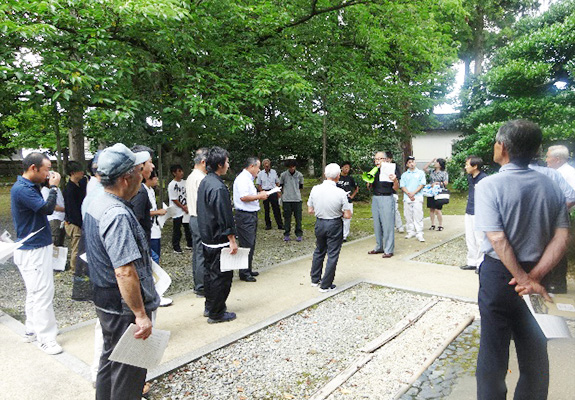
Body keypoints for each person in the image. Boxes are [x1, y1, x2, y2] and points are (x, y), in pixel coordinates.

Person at [474, 120, 569, 400]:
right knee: (535, 350)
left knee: (493, 349)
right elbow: (562, 236)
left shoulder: (489, 185)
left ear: (502, 147)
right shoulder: (551, 183)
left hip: (500, 276)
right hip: (540, 276)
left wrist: (524, 279)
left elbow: (498, 239)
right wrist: (534, 278)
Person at [83, 143, 159, 400]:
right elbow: (125, 271)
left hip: (105, 301)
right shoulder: (117, 215)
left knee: (110, 361)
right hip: (123, 305)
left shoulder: (95, 200)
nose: (143, 174)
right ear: (127, 178)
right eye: (139, 170)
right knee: (130, 371)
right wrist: (140, 314)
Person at [11, 152, 63, 355]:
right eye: (47, 169)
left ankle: (31, 329)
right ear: (33, 168)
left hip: (31, 247)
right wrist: (54, 187)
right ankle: (46, 338)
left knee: (34, 292)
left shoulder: (27, 187)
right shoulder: (23, 190)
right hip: (34, 248)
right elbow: (47, 209)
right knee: (43, 293)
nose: (49, 173)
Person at [197, 146, 238, 323]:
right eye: (227, 162)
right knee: (221, 277)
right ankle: (217, 312)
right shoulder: (218, 188)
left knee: (209, 274)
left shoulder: (206, 181)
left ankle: (210, 306)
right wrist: (232, 239)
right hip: (218, 239)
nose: (228, 165)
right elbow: (224, 216)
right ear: (220, 164)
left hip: (207, 236)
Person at [308, 163, 351, 292]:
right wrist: (340, 212)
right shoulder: (341, 192)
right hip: (334, 223)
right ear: (338, 176)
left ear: (325, 175)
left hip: (320, 222)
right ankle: (326, 284)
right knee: (332, 254)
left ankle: (315, 279)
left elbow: (310, 209)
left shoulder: (315, 189)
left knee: (319, 250)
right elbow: (348, 215)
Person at [233, 157, 268, 282]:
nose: (259, 170)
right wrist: (259, 196)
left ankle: (247, 268)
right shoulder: (243, 178)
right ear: (252, 166)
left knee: (251, 243)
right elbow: (244, 197)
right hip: (244, 214)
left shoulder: (248, 178)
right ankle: (244, 272)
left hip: (251, 213)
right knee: (247, 243)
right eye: (258, 167)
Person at [186, 148, 208, 297]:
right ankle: (201, 286)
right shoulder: (200, 178)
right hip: (200, 217)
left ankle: (198, 283)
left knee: (197, 252)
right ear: (203, 162)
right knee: (201, 253)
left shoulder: (190, 177)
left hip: (192, 217)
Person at [367, 151, 398, 257]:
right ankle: (379, 246)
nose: (377, 161)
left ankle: (389, 249)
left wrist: (395, 180)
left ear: (385, 160)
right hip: (375, 198)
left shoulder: (391, 169)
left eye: (380, 159)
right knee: (377, 224)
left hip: (387, 197)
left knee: (388, 224)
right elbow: (369, 186)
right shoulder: (374, 171)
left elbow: (396, 188)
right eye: (376, 159)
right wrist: (368, 181)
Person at [460, 156, 487, 271]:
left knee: (479, 238)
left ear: (475, 166)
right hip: (469, 209)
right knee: (470, 237)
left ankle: (480, 264)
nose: (465, 167)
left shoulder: (484, 179)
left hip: (479, 212)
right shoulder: (470, 177)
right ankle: (471, 261)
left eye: (467, 165)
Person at [64, 160, 87, 272]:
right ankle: (74, 269)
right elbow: (72, 210)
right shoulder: (69, 189)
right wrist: (80, 224)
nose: (82, 172)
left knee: (80, 246)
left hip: (80, 220)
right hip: (74, 222)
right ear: (72, 173)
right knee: (76, 247)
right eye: (79, 171)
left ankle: (79, 267)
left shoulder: (81, 183)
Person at [400, 156, 426, 242]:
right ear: (407, 164)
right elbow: (402, 186)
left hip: (417, 197)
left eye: (413, 162)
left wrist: (414, 193)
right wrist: (408, 193)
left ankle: (419, 232)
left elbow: (422, 184)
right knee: (408, 215)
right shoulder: (404, 175)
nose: (411, 164)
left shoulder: (420, 173)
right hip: (407, 197)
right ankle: (410, 231)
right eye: (409, 162)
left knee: (418, 215)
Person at [168, 164, 193, 253]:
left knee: (188, 227)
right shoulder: (172, 185)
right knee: (177, 229)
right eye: (179, 171)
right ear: (174, 173)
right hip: (177, 210)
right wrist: (183, 207)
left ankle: (190, 244)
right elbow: (174, 199)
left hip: (186, 208)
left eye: (181, 171)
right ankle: (176, 246)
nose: (181, 173)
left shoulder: (185, 182)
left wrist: (187, 205)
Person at [145, 170, 167, 264]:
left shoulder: (151, 190)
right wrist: (158, 212)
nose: (157, 179)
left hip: (155, 226)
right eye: (155, 177)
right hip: (149, 228)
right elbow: (143, 212)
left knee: (157, 254)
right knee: (153, 258)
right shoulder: (143, 191)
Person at [279, 159, 304, 241]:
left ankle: (299, 234)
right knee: (287, 218)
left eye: (293, 167)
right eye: (290, 167)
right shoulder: (283, 175)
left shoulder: (299, 175)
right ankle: (286, 233)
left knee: (298, 218)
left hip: (297, 199)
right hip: (286, 199)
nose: (292, 168)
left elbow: (301, 186)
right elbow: (281, 186)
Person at [256, 159, 283, 230]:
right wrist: (262, 192)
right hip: (265, 191)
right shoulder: (260, 173)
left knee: (276, 208)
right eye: (265, 165)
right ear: (263, 165)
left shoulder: (274, 172)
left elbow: (277, 182)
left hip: (273, 191)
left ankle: (280, 224)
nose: (267, 166)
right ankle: (268, 225)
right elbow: (258, 184)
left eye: (268, 164)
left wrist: (278, 192)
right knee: (266, 209)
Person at [423, 158, 448, 231]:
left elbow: (446, 182)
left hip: (438, 192)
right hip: (431, 192)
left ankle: (440, 225)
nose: (435, 163)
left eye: (436, 162)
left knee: (438, 209)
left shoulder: (444, 173)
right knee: (431, 209)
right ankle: (432, 224)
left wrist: (437, 183)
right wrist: (431, 161)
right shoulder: (432, 171)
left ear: (440, 164)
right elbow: (424, 168)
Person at [336, 161, 358, 241]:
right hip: (338, 200)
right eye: (345, 167)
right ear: (341, 168)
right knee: (338, 217)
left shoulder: (350, 178)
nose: (346, 169)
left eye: (348, 168)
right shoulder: (337, 177)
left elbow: (356, 188)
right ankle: (338, 234)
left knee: (347, 218)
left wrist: (352, 196)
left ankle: (344, 236)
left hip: (347, 201)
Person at [40, 180, 65, 247]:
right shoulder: (45, 190)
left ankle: (59, 256)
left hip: (61, 218)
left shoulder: (57, 189)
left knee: (60, 240)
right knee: (55, 240)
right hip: (54, 218)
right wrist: (65, 209)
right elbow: (52, 206)